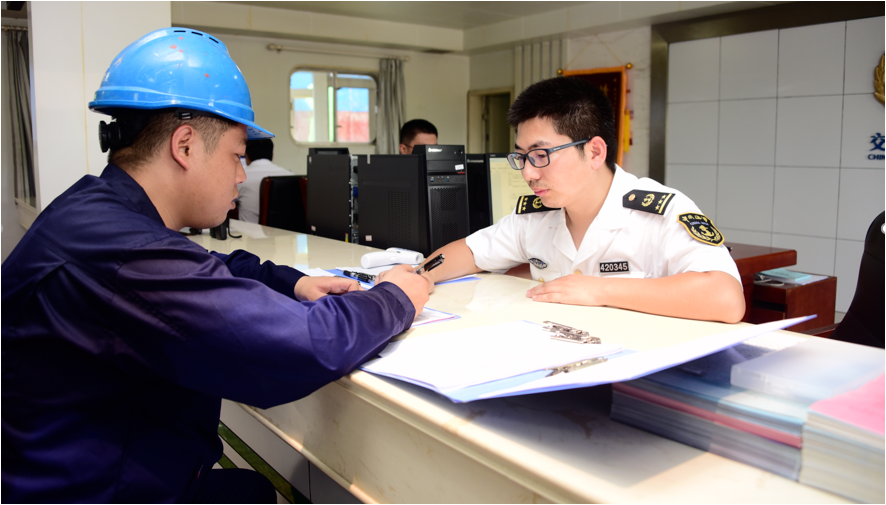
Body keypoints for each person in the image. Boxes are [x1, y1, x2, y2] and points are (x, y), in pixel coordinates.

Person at [1, 27, 428, 503]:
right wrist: (396, 298)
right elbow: (304, 347)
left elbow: (207, 265)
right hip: (99, 490)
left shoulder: (97, 214)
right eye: (237, 156)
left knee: (250, 490)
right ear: (184, 146)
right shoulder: (127, 253)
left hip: (96, 466)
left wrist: (296, 284)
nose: (242, 175)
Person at [417, 77, 745, 323]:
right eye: (522, 157)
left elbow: (726, 298)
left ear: (595, 152)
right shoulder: (537, 216)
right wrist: (420, 276)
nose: (528, 173)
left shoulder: (659, 211)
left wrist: (600, 290)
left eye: (541, 155)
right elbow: (470, 252)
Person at [236, 138, 293, 223]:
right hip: (285, 231)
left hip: (248, 231)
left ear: (246, 155)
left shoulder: (239, 178)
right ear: (272, 155)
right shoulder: (290, 176)